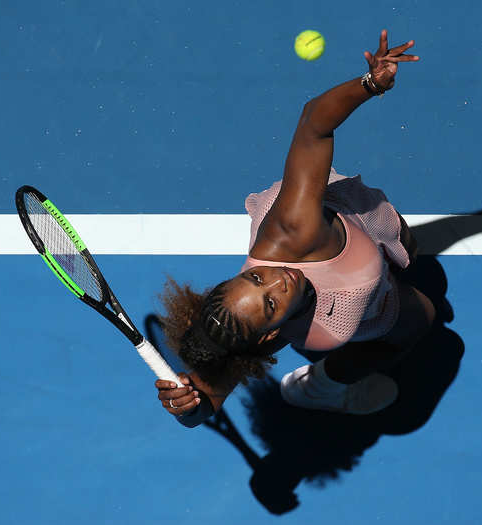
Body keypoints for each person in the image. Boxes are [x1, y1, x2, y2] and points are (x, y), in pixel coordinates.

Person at [156, 30, 440, 428]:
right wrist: (192, 407)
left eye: (255, 277)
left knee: (409, 256)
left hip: (355, 227)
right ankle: (320, 387)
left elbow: (312, 126)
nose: (278, 281)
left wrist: (369, 84)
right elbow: (206, 405)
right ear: (269, 337)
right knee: (421, 322)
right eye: (269, 303)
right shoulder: (265, 331)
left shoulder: (293, 229)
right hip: (358, 304)